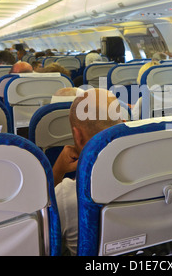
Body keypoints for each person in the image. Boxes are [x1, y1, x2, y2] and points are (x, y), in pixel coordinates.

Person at [53, 88, 124, 255]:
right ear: (123, 123)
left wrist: (57, 172)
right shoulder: (148, 177)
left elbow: (44, 225)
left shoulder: (66, 195)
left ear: (78, 136)